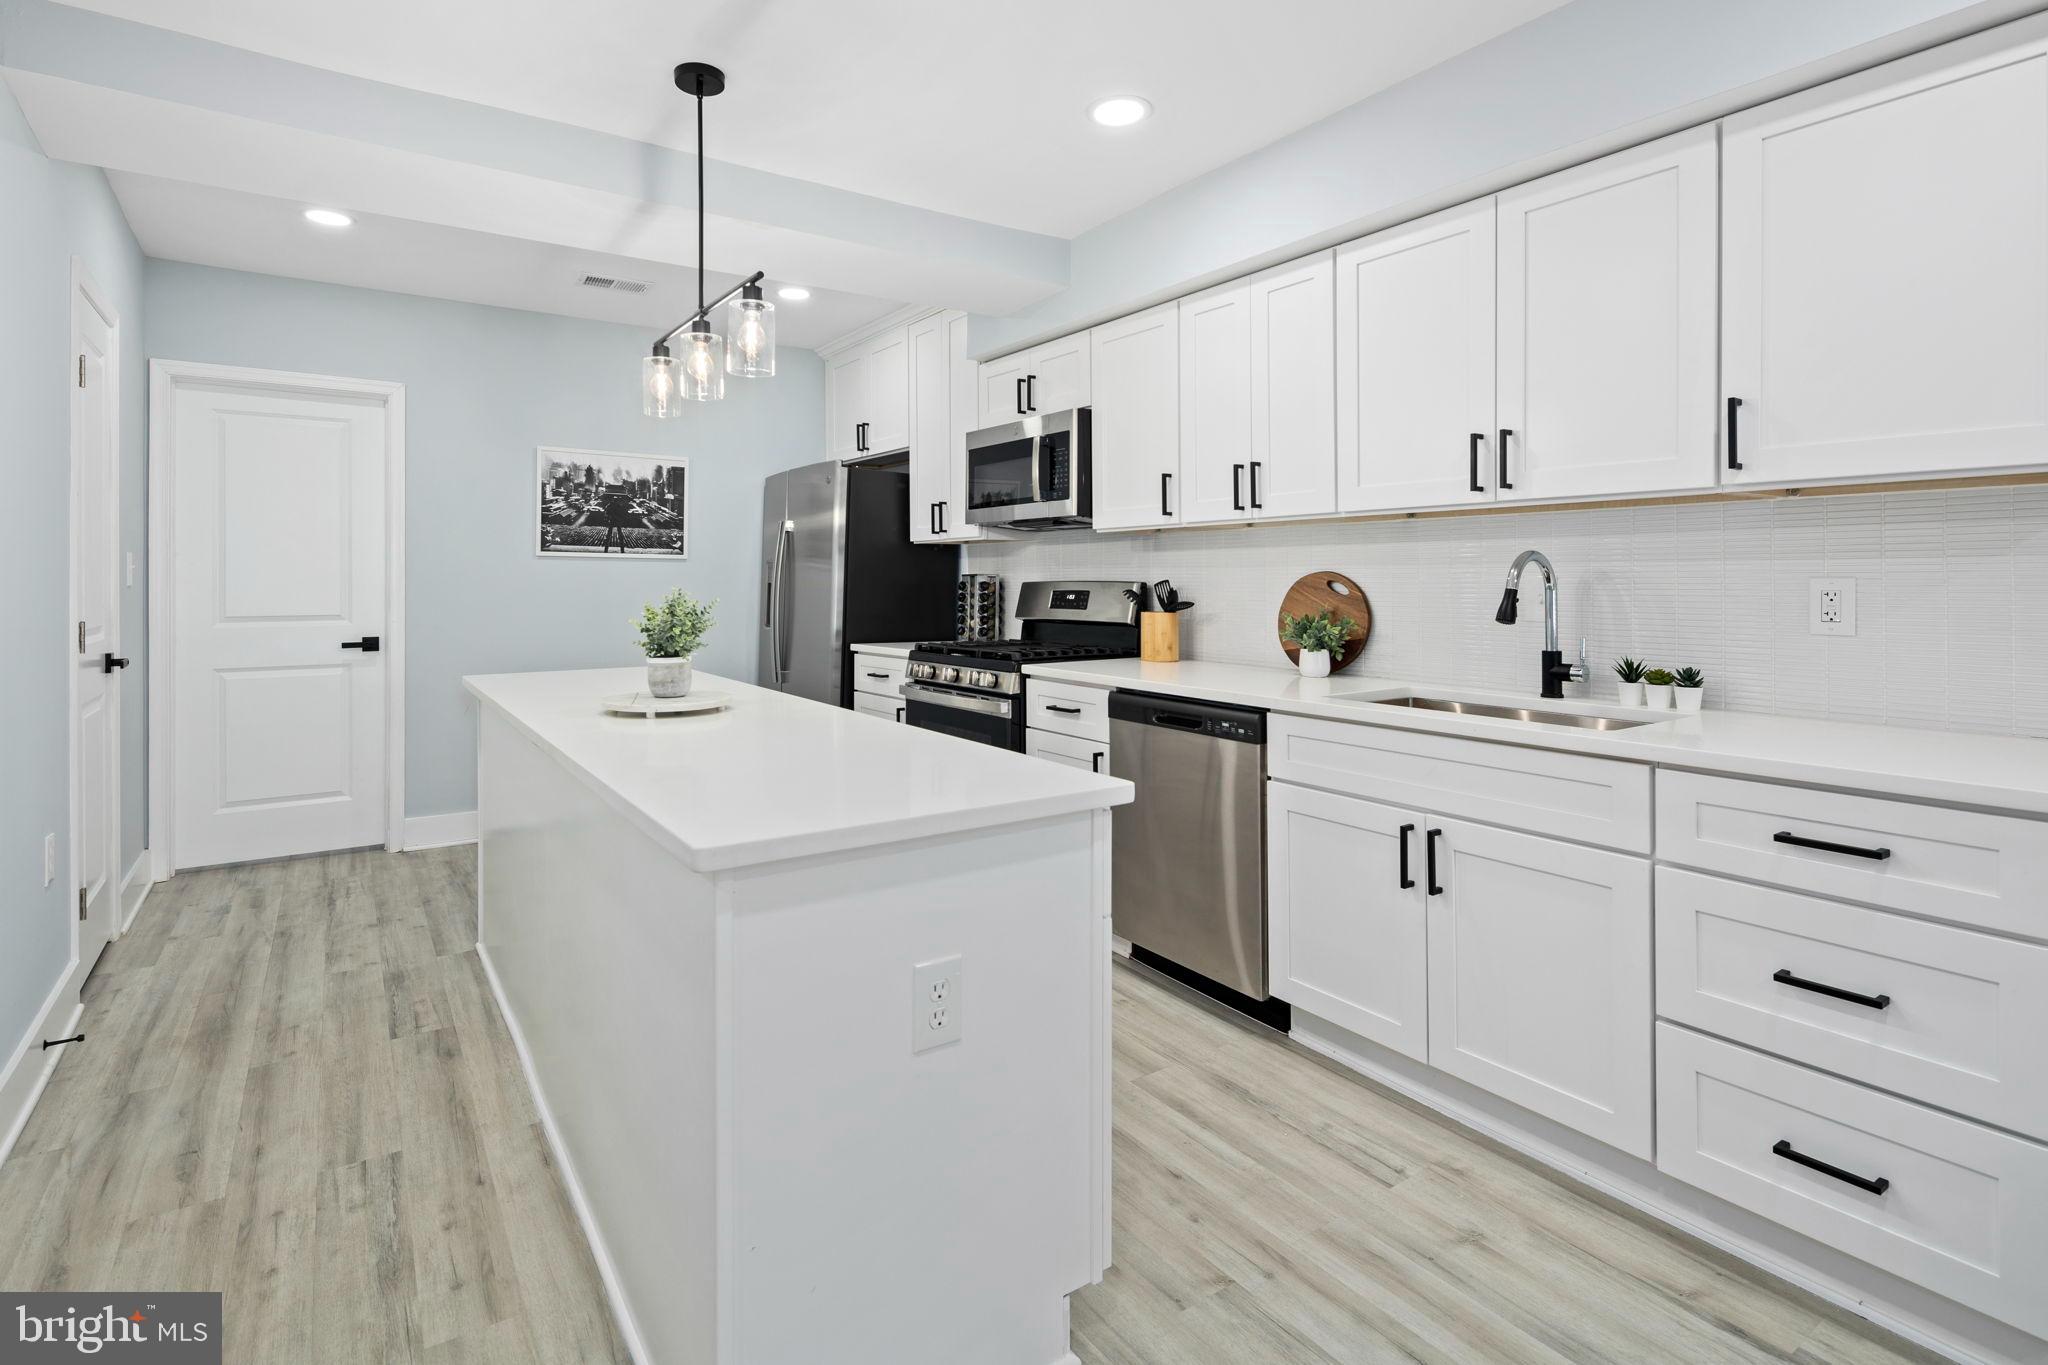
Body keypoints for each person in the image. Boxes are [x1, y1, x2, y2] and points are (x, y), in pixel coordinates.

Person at [602, 486, 634, 552]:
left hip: (612, 521)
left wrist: (608, 517)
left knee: (609, 535)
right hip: (617, 521)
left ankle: (606, 548)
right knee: (620, 534)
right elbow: (623, 512)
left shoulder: (610, 505)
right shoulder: (619, 506)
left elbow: (606, 511)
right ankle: (622, 549)